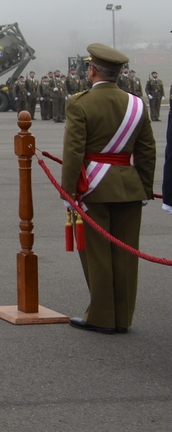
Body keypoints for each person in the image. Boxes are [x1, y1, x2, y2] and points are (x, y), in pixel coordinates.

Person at [61, 44, 157, 334]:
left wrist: (68, 193)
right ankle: (123, 317)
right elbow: (147, 151)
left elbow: (74, 152)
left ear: (92, 71)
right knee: (126, 254)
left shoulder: (79, 102)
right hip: (129, 187)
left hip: (93, 187)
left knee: (98, 253)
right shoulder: (137, 104)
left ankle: (101, 317)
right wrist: (144, 188)